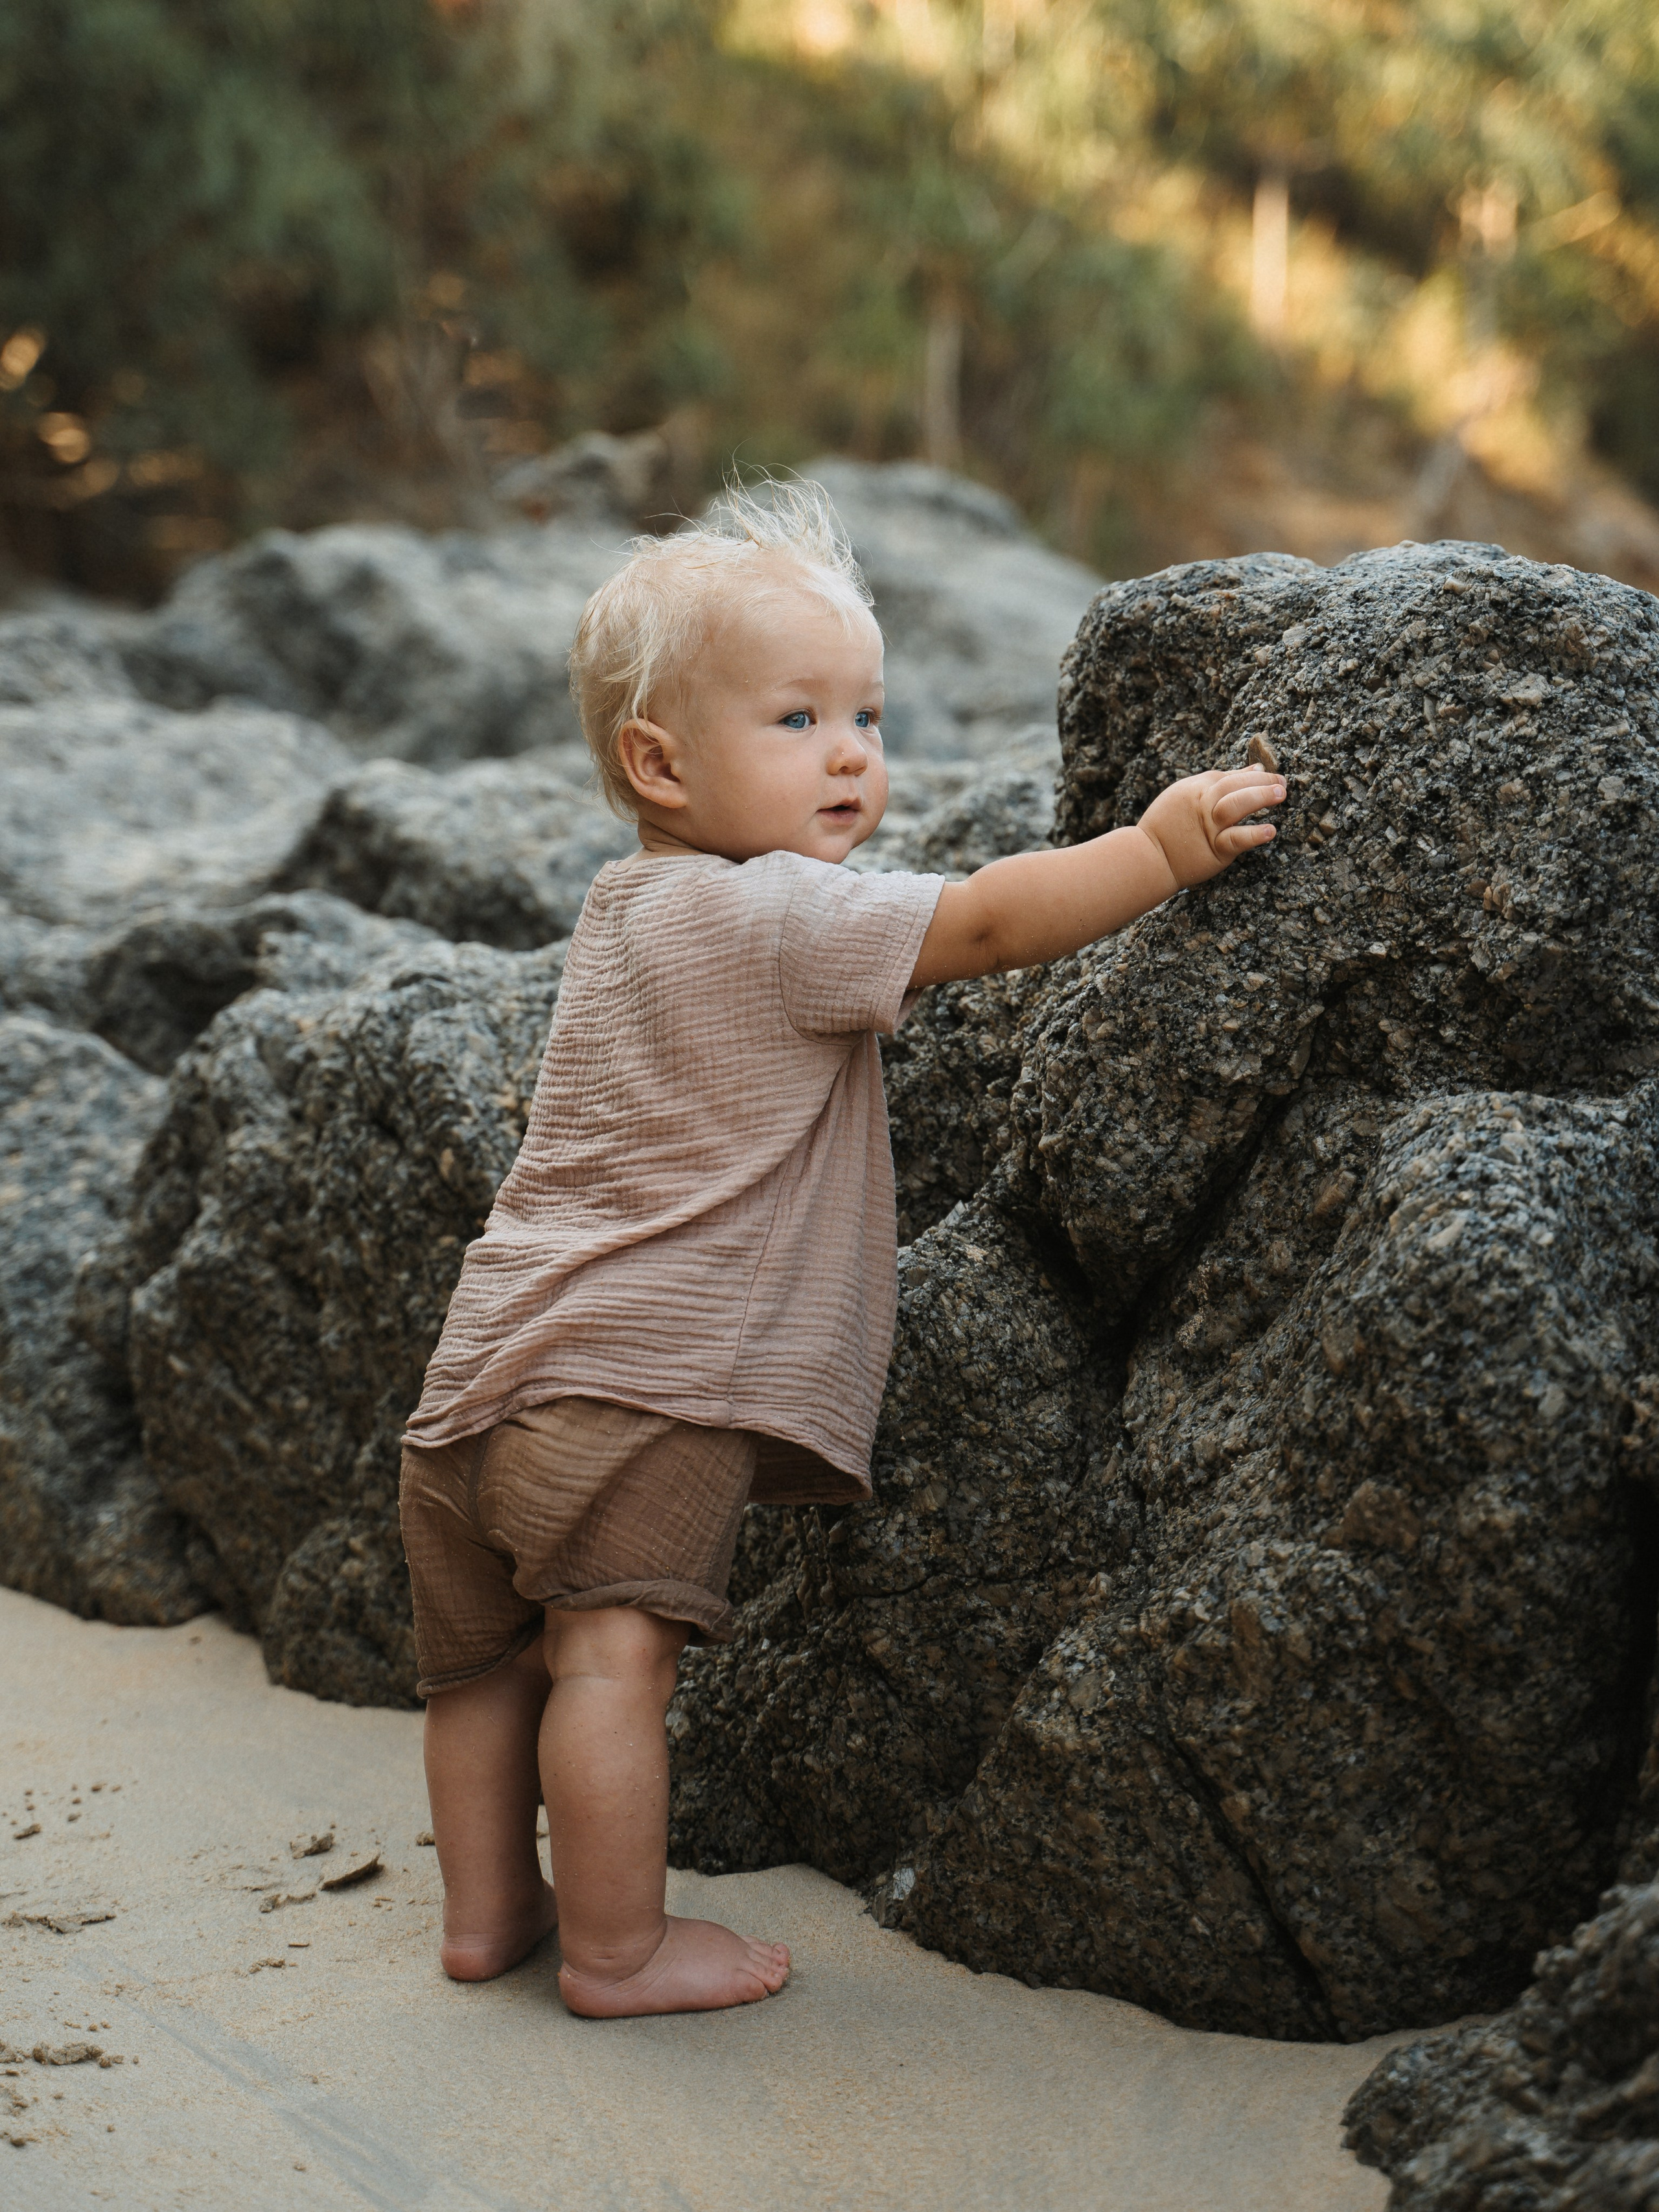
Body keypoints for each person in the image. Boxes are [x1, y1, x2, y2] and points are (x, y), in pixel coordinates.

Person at [398, 481, 1286, 2020]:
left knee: (480, 1673)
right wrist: (1152, 849)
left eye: (866, 714)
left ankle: (489, 1916)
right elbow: (990, 925)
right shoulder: (779, 919)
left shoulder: (623, 917)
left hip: (476, 1384)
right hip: (637, 1388)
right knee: (611, 1669)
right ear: (656, 763)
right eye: (797, 718)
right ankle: (615, 1949)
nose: (853, 753)